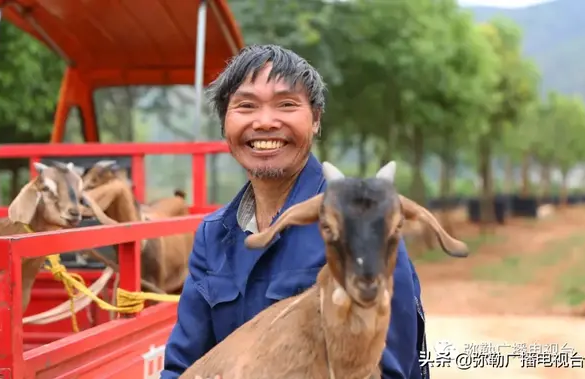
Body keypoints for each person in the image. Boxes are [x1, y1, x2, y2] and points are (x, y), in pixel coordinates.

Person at [160, 44, 429, 379]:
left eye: (286, 104)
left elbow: (393, 370)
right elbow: (181, 365)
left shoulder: (363, 223)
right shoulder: (213, 235)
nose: (265, 122)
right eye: (246, 106)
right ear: (225, 125)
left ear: (315, 120)